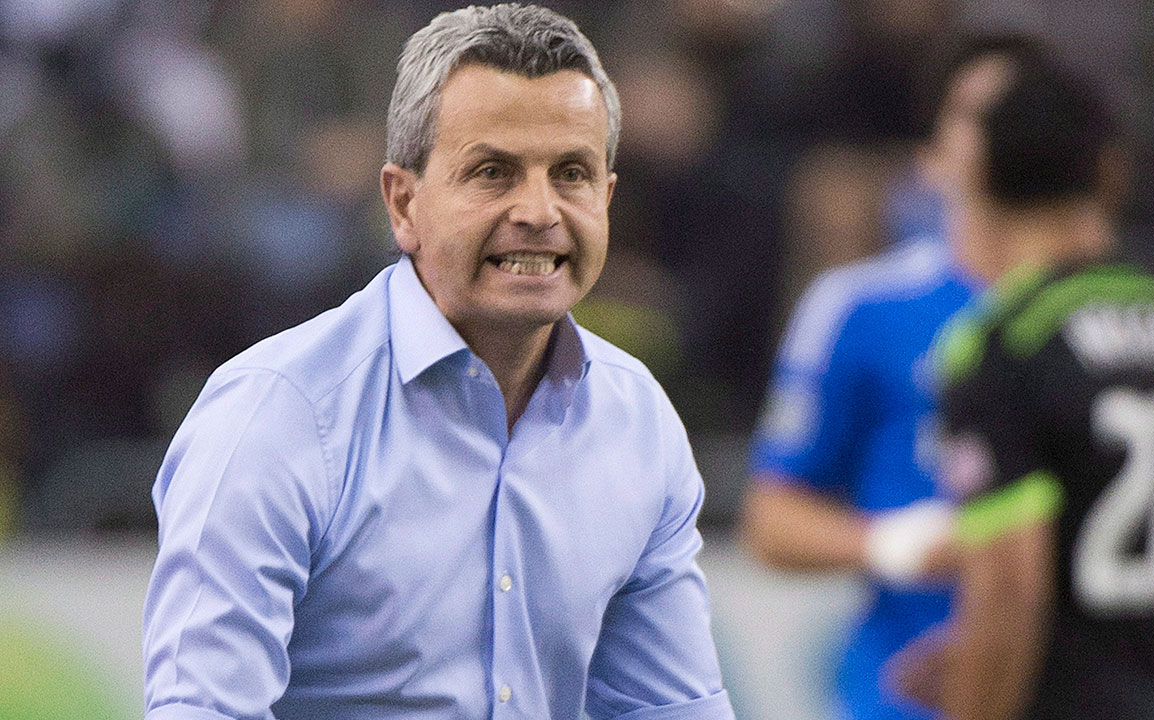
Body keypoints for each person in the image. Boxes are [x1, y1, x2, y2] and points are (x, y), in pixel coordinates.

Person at [141, 5, 736, 719]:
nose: (540, 211)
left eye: (571, 174)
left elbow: (669, 708)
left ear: (606, 198)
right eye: (493, 172)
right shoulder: (277, 416)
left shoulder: (637, 421)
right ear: (403, 204)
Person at [894, 55, 1154, 720]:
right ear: (1106, 173)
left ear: (979, 176)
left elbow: (1011, 588)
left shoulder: (1005, 342)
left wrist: (989, 673)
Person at [738, 36, 1044, 720]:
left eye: (1031, 118)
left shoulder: (1107, 314)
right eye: (986, 117)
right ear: (932, 157)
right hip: (901, 696)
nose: (1014, 140)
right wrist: (899, 544)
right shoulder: (865, 307)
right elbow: (772, 517)